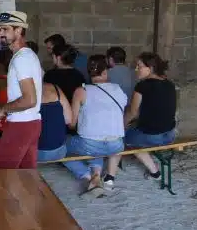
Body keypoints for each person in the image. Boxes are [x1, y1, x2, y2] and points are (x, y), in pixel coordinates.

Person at [66, 54, 127, 194]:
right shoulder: (118, 89)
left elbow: (72, 123)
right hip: (116, 145)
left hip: (89, 145)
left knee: (61, 148)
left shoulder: (81, 91)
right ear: (105, 71)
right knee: (98, 143)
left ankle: (87, 175)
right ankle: (100, 176)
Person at [0, 11, 43, 169]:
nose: (0, 34)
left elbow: (29, 99)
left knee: (1, 176)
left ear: (19, 30)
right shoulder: (28, 55)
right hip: (31, 122)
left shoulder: (21, 59)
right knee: (26, 177)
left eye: (5, 29)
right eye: (0, 29)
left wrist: (3, 108)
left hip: (21, 125)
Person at [115, 52, 177, 181]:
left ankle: (154, 172)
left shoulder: (142, 86)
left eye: (139, 66)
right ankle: (155, 173)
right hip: (170, 134)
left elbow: (133, 113)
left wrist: (120, 127)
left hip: (152, 136)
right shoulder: (169, 84)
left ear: (151, 68)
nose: (136, 69)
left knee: (124, 138)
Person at [36, 82, 72, 163]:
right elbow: (69, 120)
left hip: (34, 154)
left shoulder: (21, 92)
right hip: (58, 152)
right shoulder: (56, 89)